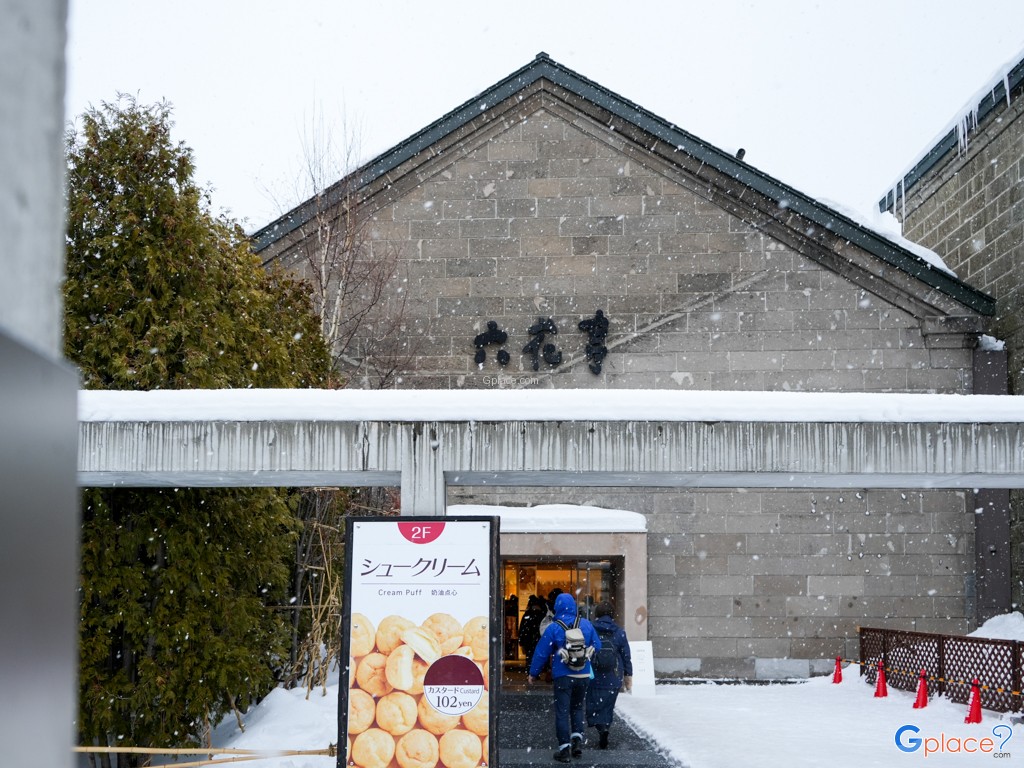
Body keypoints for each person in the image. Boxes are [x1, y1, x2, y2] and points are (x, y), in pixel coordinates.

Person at [527, 592, 601, 763]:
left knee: (562, 711)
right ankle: (577, 743)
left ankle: (564, 749)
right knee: (577, 708)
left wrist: (533, 673)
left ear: (557, 607)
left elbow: (541, 652)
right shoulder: (586, 624)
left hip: (562, 675)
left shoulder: (553, 627)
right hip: (583, 674)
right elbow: (597, 645)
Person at [585, 601, 633, 749]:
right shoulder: (619, 632)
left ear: (597, 614)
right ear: (612, 614)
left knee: (593, 701)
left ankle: (599, 725)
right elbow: (626, 656)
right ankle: (605, 726)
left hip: (593, 675)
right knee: (608, 705)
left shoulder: (590, 629)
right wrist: (628, 675)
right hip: (613, 675)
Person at [517, 594, 546, 663]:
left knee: (530, 658)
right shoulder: (542, 614)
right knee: (539, 659)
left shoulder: (528, 614)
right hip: (539, 640)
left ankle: (531, 667)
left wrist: (521, 641)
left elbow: (523, 628)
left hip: (529, 640)